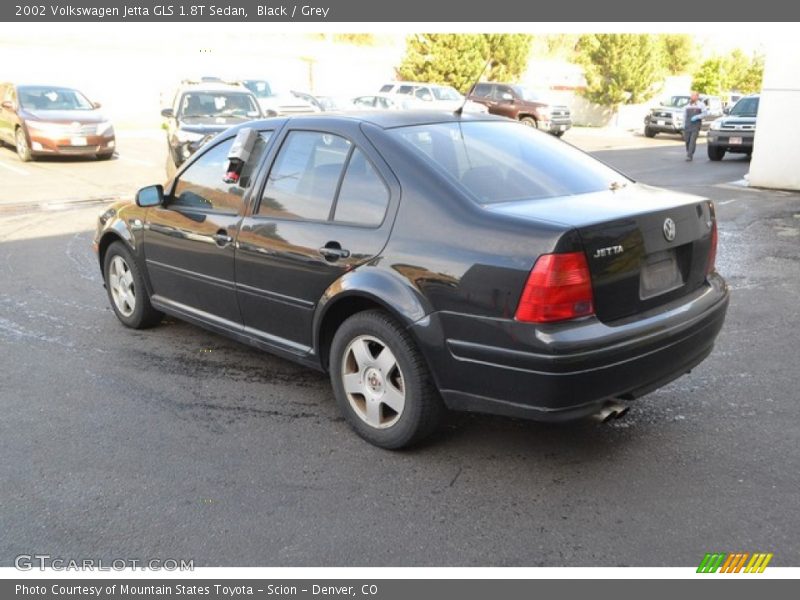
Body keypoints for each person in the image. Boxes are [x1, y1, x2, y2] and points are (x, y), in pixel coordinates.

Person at [683, 92, 708, 161]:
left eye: (693, 96)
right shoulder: (687, 105)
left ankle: (689, 155)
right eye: (691, 96)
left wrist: (697, 116)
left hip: (696, 125)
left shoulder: (701, 105)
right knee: (687, 140)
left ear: (697, 97)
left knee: (692, 140)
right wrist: (683, 124)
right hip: (687, 125)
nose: (692, 97)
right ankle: (689, 151)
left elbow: (705, 113)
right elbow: (684, 116)